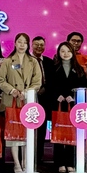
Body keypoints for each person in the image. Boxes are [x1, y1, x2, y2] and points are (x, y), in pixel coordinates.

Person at [0, 33, 43, 173]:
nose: (22, 45)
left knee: (27, 133)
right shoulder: (8, 61)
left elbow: (37, 82)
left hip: (28, 101)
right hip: (12, 100)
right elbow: (0, 80)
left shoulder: (33, 61)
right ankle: (16, 163)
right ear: (15, 44)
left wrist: (27, 92)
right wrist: (12, 90)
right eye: (19, 42)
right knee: (14, 133)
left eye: (24, 42)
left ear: (28, 45)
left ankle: (25, 162)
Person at [47, 42, 87, 173]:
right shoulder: (53, 68)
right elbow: (49, 86)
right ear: (58, 53)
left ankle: (70, 162)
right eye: (62, 51)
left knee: (72, 134)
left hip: (73, 105)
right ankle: (59, 162)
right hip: (58, 105)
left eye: (68, 51)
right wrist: (56, 95)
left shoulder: (79, 69)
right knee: (58, 133)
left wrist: (73, 95)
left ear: (73, 53)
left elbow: (83, 86)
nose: (65, 54)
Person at [31, 35, 55, 164]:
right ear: (31, 45)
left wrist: (45, 89)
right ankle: (28, 156)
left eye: (41, 45)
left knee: (41, 129)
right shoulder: (26, 61)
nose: (39, 47)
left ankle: (39, 157)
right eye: (36, 44)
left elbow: (52, 80)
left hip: (45, 99)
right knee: (29, 128)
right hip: (30, 99)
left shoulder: (49, 62)